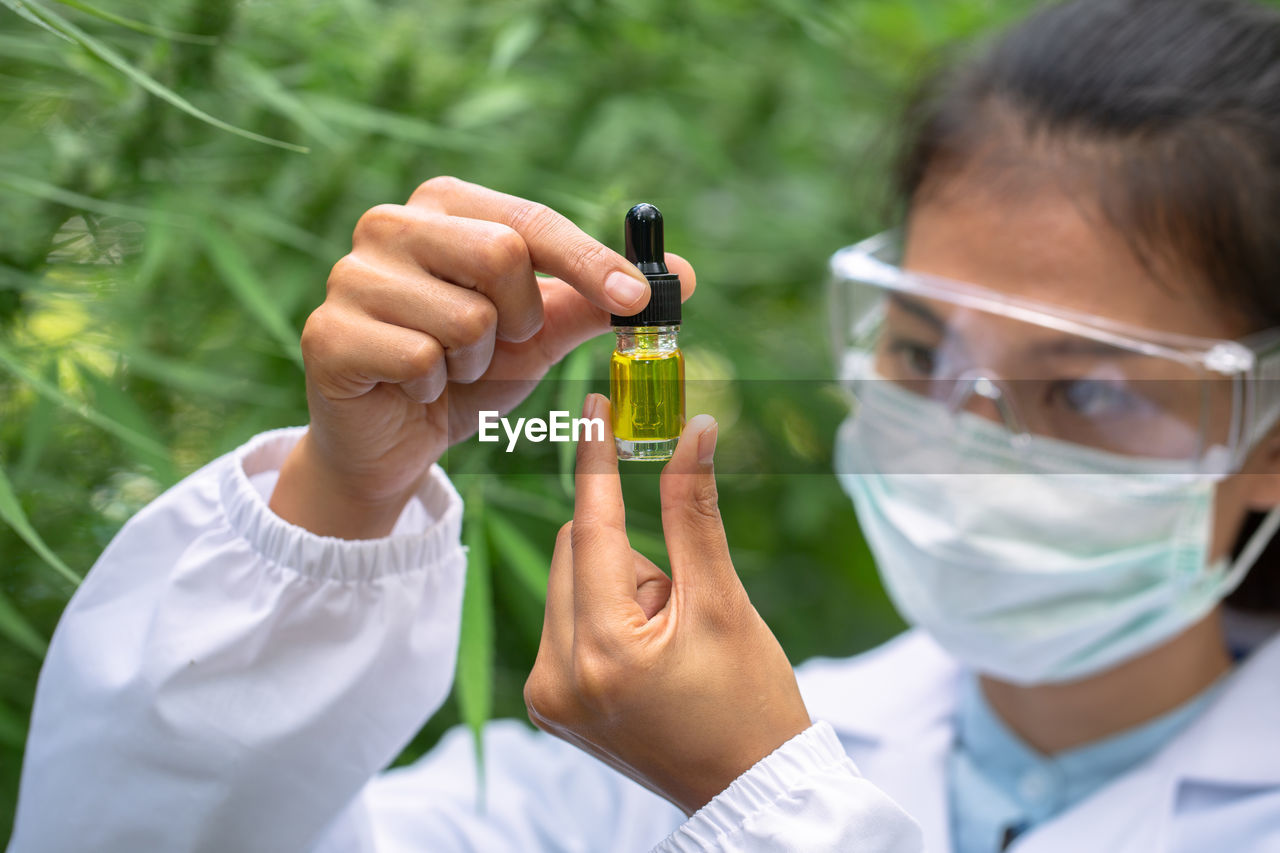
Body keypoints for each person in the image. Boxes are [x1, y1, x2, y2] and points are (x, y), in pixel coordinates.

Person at [9, 0, 1280, 849]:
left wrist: (753, 796)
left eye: (1088, 387)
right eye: (919, 349)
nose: (959, 434)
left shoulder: (718, 752)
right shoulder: (615, 782)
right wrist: (348, 497)